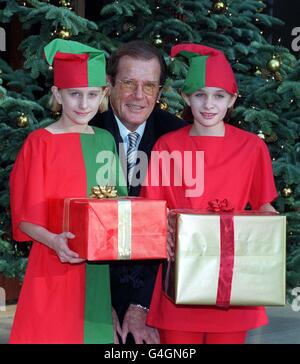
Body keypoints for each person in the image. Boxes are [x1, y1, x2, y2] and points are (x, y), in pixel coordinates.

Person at [141, 43, 278, 344]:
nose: (209, 104)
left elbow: (264, 206)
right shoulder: (167, 146)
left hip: (232, 279)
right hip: (182, 276)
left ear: (232, 100)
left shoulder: (253, 148)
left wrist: (272, 236)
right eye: (200, 95)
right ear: (186, 98)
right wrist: (162, 234)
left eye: (219, 96)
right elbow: (152, 209)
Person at [9, 39, 126, 343]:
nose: (83, 104)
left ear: (104, 94)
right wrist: (55, 242)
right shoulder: (40, 143)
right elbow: (25, 216)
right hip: (53, 262)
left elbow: (112, 201)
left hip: (95, 270)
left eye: (91, 94)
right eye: (74, 94)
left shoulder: (104, 141)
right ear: (57, 94)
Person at [89, 40, 187, 344]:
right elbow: (75, 225)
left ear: (159, 91)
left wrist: (142, 304)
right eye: (129, 83)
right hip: (91, 286)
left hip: (157, 291)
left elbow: (177, 229)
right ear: (109, 84)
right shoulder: (83, 129)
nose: (138, 96)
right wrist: (101, 304)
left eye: (149, 86)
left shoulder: (178, 136)